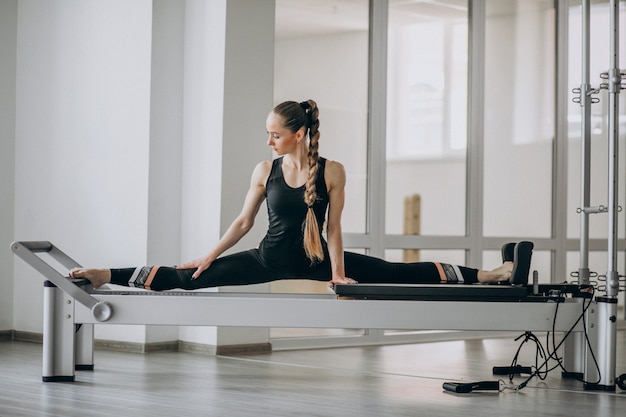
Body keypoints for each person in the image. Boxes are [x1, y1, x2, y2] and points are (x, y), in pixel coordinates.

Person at [70, 99, 514, 291]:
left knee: (395, 273)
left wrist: (338, 274)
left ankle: (488, 276)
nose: (269, 141)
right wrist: (208, 255)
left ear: (299, 133)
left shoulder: (333, 171)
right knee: (187, 279)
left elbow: (334, 227)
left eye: (276, 134)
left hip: (318, 259)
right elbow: (244, 222)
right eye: (267, 134)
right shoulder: (266, 169)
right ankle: (103, 273)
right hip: (267, 258)